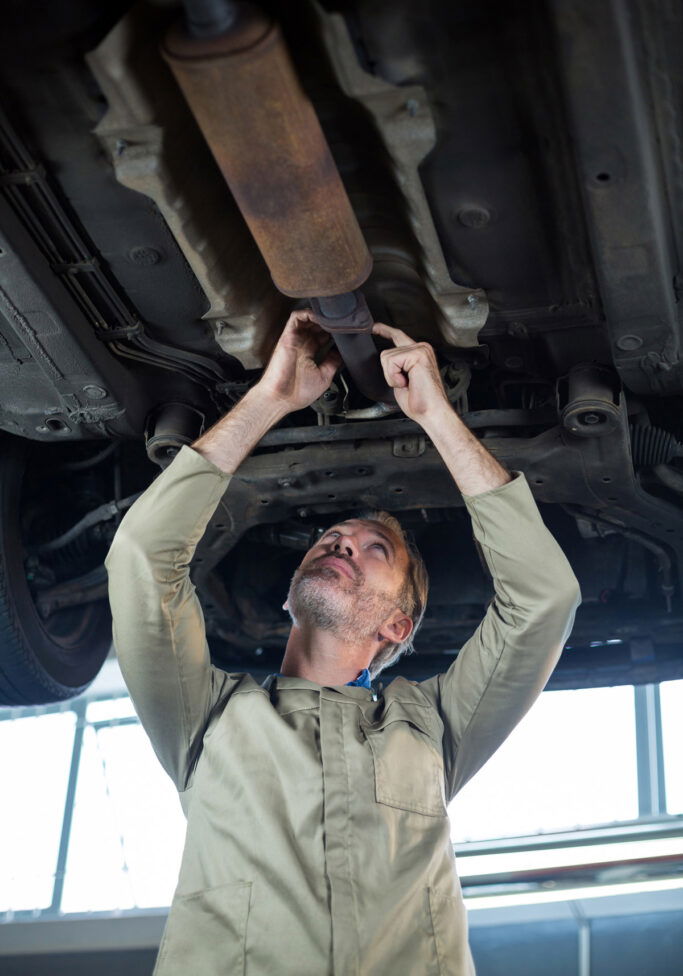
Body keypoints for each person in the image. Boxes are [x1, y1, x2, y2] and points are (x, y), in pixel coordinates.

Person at [105, 311, 581, 976]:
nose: (339, 543)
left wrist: (438, 416)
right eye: (330, 541)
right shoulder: (202, 719)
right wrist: (269, 398)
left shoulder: (436, 729)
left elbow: (542, 600)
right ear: (288, 594)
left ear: (396, 626)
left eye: (372, 549)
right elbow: (141, 556)